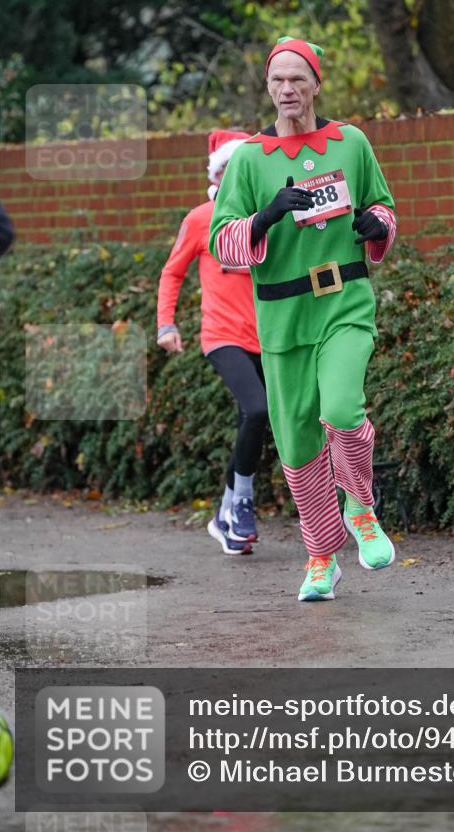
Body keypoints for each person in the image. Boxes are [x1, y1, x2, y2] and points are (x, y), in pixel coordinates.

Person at [209, 36, 396, 601]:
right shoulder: (247, 159)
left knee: (341, 407)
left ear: (316, 83)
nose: (287, 90)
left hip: (344, 300)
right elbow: (224, 245)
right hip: (283, 315)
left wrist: (377, 227)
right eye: (277, 81)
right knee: (295, 446)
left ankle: (361, 509)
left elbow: (383, 204)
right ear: (267, 88)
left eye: (297, 79)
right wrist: (265, 217)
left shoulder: (351, 142)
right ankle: (321, 556)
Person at [157, 130, 268, 556]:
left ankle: (224, 514)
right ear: (218, 174)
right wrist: (166, 324)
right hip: (222, 337)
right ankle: (241, 501)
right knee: (257, 409)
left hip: (268, 339)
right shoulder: (202, 218)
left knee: (252, 420)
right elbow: (172, 272)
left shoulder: (265, 220)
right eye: (230, 169)